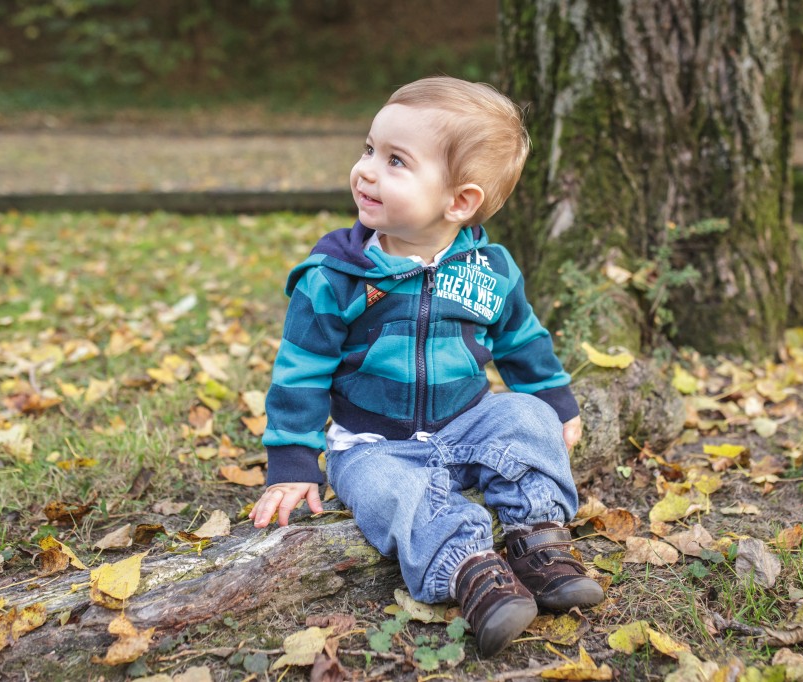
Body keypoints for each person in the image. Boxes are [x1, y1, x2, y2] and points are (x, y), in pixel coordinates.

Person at [249, 76, 604, 657]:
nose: (366, 170)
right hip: (374, 441)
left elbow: (520, 338)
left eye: (395, 161)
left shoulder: (488, 269)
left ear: (459, 201)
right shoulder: (335, 275)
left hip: (465, 423)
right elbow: (301, 369)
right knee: (384, 488)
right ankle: (471, 570)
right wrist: (292, 460)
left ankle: (537, 539)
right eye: (368, 149)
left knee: (527, 418)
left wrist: (555, 399)